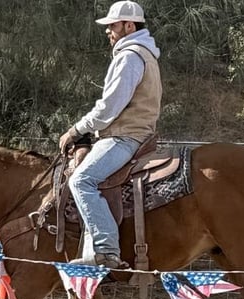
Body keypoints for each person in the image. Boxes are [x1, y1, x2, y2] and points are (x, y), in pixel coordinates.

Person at [59, 0, 162, 269]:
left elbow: (109, 108)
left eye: (113, 25)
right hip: (135, 133)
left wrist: (76, 129)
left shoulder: (129, 56)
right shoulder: (145, 54)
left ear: (129, 25)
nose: (108, 31)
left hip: (125, 136)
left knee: (81, 180)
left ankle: (106, 250)